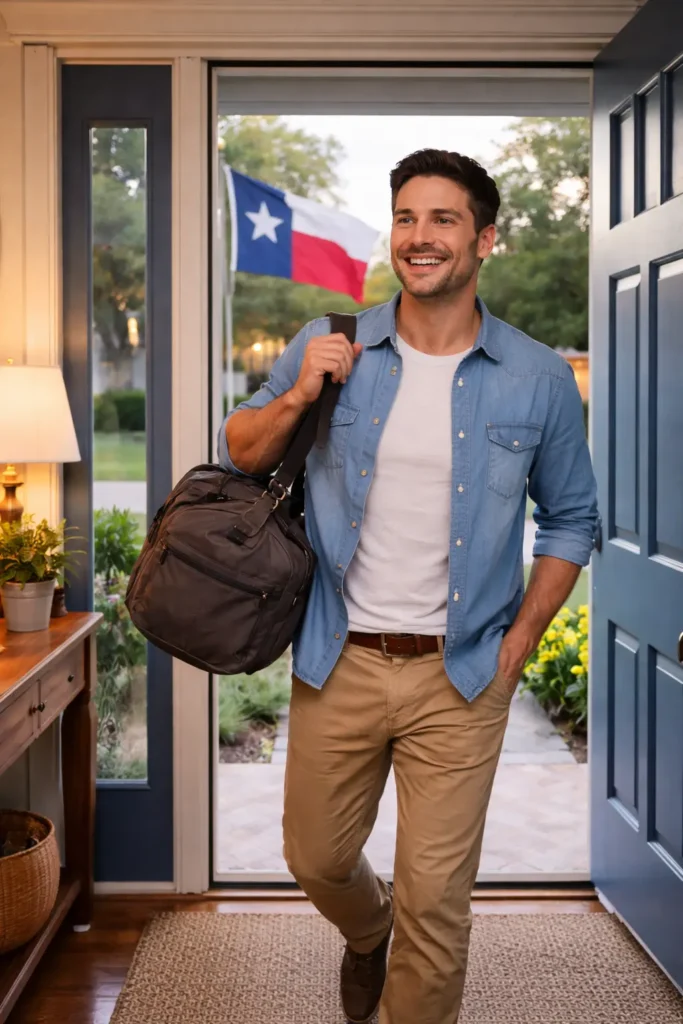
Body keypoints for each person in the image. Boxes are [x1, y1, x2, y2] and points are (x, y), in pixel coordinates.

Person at [218, 148, 599, 1024]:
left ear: (484, 239)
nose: (418, 238)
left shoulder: (537, 377)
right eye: (405, 218)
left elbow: (573, 519)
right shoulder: (335, 343)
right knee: (315, 859)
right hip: (338, 657)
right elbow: (237, 452)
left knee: (438, 907)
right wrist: (297, 392)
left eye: (442, 220)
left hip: (463, 674)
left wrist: (520, 641)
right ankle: (366, 930)